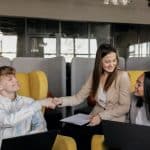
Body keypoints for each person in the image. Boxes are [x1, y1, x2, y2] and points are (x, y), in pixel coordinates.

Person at [53, 43, 131, 150]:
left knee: (85, 135)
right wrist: (60, 101)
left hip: (114, 121)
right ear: (100, 62)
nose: (112, 64)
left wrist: (101, 117)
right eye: (107, 61)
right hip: (94, 117)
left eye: (114, 60)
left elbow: (124, 107)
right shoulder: (95, 75)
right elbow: (78, 98)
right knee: (67, 129)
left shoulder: (123, 76)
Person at [0, 66, 56, 147]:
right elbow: (8, 121)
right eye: (10, 79)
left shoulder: (30, 101)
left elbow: (41, 127)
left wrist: (29, 140)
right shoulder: (35, 104)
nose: (16, 80)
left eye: (15, 77)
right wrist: (38, 104)